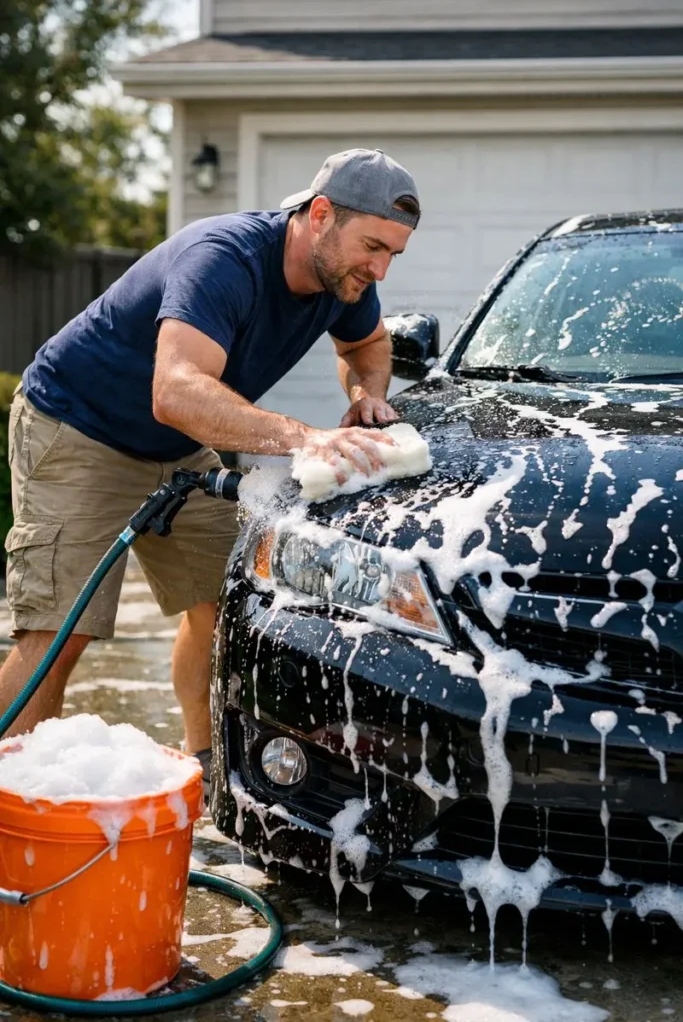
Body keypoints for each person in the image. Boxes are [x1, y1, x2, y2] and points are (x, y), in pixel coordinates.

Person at [0, 147, 420, 784]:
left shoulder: (345, 281)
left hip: (174, 447)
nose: (380, 268)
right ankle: (13, 811)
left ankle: (206, 764)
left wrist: (365, 396)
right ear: (322, 214)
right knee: (60, 631)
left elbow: (367, 343)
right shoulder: (223, 258)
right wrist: (302, 437)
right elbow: (175, 390)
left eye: (393, 253)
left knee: (228, 603)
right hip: (78, 426)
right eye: (373, 246)